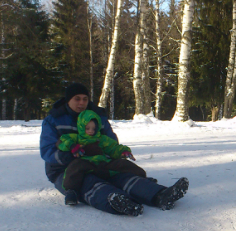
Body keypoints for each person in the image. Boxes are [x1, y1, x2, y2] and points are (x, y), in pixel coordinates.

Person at [40, 82, 188, 216]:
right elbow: (47, 150)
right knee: (88, 182)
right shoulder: (54, 120)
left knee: (121, 175)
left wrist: (114, 152)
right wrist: (74, 154)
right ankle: (118, 202)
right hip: (66, 169)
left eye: (85, 99)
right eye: (77, 99)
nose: (81, 103)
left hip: (97, 161)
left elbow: (110, 142)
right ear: (68, 100)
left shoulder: (97, 117)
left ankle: (160, 195)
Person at [57, 109, 148, 207]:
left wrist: (123, 151)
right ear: (81, 127)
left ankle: (142, 178)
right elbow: (62, 141)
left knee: (122, 164)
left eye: (94, 128)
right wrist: (72, 146)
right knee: (74, 167)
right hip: (86, 162)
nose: (91, 131)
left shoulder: (101, 139)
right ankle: (71, 192)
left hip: (102, 163)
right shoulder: (77, 138)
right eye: (87, 128)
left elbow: (113, 147)